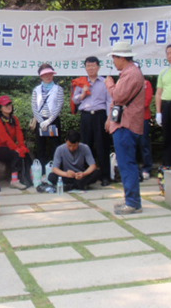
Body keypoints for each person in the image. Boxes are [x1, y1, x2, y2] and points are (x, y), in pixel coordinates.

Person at [105, 41, 145, 215]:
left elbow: (118, 96)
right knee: (126, 163)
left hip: (126, 125)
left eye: (114, 57)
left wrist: (109, 84)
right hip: (124, 123)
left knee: (127, 164)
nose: (113, 61)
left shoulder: (131, 74)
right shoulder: (129, 73)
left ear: (121, 57)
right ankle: (131, 199)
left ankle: (133, 202)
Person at [72, 56, 112, 186]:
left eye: (93, 66)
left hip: (100, 116)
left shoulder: (104, 82)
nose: (91, 68)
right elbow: (75, 100)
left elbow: (109, 102)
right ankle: (85, 176)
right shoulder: (81, 82)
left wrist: (109, 119)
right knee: (85, 146)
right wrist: (83, 93)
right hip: (86, 116)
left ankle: (105, 176)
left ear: (98, 67)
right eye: (88, 66)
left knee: (102, 146)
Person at [0, 95, 29, 189]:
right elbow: (5, 138)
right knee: (15, 155)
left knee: (26, 154)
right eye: (5, 105)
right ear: (0, 108)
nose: (9, 106)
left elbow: (19, 134)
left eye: (10, 104)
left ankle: (28, 178)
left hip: (9, 147)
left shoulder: (14, 119)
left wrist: (22, 147)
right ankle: (14, 181)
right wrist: (16, 149)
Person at [31, 63, 64, 165]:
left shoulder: (58, 89)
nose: (48, 76)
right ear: (41, 76)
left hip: (53, 120)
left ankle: (56, 171)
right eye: (45, 74)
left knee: (55, 146)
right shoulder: (36, 90)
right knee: (41, 147)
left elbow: (59, 106)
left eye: (50, 74)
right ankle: (42, 171)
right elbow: (34, 106)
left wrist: (49, 120)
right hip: (40, 121)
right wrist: (41, 121)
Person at [138, 76, 154, 179]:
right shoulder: (124, 82)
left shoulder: (146, 83)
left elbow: (147, 101)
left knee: (144, 143)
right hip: (129, 119)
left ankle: (147, 168)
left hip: (143, 117)